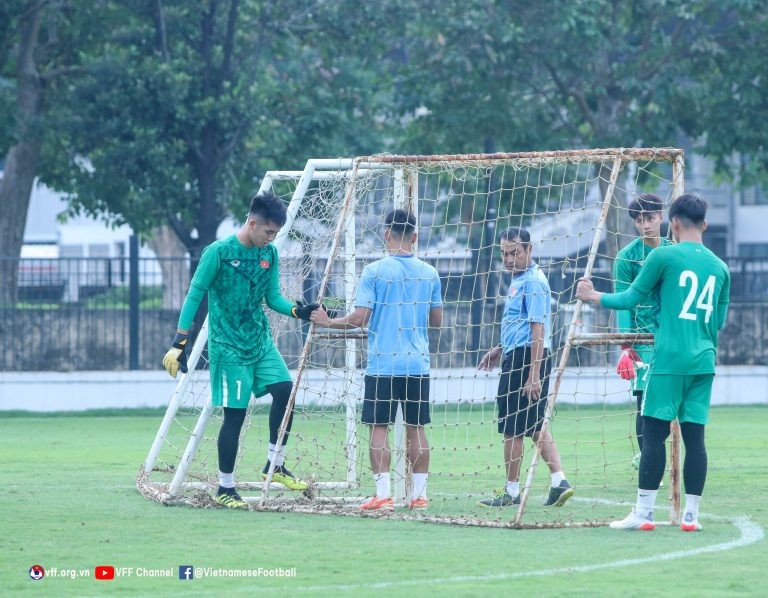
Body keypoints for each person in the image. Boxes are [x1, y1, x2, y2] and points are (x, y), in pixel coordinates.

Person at [576, 194, 730, 531]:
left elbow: (631, 297)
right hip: (704, 361)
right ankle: (691, 517)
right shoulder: (721, 267)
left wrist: (593, 296)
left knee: (653, 435)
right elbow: (718, 321)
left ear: (671, 222)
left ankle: (644, 515)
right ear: (704, 224)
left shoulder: (663, 255)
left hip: (669, 358)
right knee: (695, 438)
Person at [162, 192, 320, 509]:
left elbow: (273, 298)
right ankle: (226, 487)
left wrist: (297, 311)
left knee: (286, 390)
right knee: (235, 414)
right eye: (269, 232)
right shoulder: (218, 252)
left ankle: (274, 465)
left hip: (259, 342)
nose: (272, 238)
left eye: (275, 233)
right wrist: (180, 342)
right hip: (228, 348)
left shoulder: (270, 255)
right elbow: (195, 294)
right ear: (252, 223)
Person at [311, 209, 442, 511]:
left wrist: (327, 321)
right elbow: (436, 321)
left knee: (378, 427)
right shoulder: (430, 273)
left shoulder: (374, 271)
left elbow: (359, 318)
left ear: (386, 235)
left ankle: (383, 495)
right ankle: (419, 496)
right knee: (417, 427)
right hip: (417, 365)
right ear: (415, 236)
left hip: (384, 364)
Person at [477, 227, 574, 509]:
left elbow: (537, 330)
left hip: (527, 360)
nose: (508, 259)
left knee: (512, 428)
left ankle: (511, 491)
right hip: (518, 354)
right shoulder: (519, 280)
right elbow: (521, 325)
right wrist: (500, 347)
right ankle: (560, 482)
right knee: (533, 424)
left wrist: (533, 375)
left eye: (514, 252)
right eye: (504, 253)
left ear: (529, 250)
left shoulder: (532, 282)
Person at [614, 194, 672, 468]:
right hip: (642, 342)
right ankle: (650, 462)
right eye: (639, 221)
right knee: (645, 405)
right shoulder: (626, 257)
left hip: (672, 340)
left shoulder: (675, 251)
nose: (645, 225)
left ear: (661, 216)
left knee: (671, 409)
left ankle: (656, 456)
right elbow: (622, 302)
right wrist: (626, 346)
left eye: (649, 218)